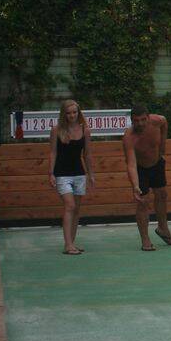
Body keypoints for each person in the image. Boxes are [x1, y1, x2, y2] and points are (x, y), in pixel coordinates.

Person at [122, 105, 171, 251]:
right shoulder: (129, 137)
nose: (140, 123)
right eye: (136, 121)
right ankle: (145, 239)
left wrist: (163, 146)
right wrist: (135, 186)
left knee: (162, 194)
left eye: (143, 120)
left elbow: (165, 122)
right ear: (131, 120)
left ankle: (163, 227)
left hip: (157, 162)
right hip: (140, 168)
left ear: (148, 117)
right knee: (143, 202)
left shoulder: (158, 121)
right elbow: (131, 164)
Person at [49, 99, 95, 255]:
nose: (72, 115)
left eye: (74, 112)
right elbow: (53, 152)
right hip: (62, 174)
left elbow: (87, 154)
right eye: (68, 113)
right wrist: (51, 173)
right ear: (64, 114)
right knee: (70, 205)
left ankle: (71, 243)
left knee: (76, 209)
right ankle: (68, 245)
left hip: (79, 173)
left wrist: (91, 173)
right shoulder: (56, 130)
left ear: (78, 113)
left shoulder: (85, 130)